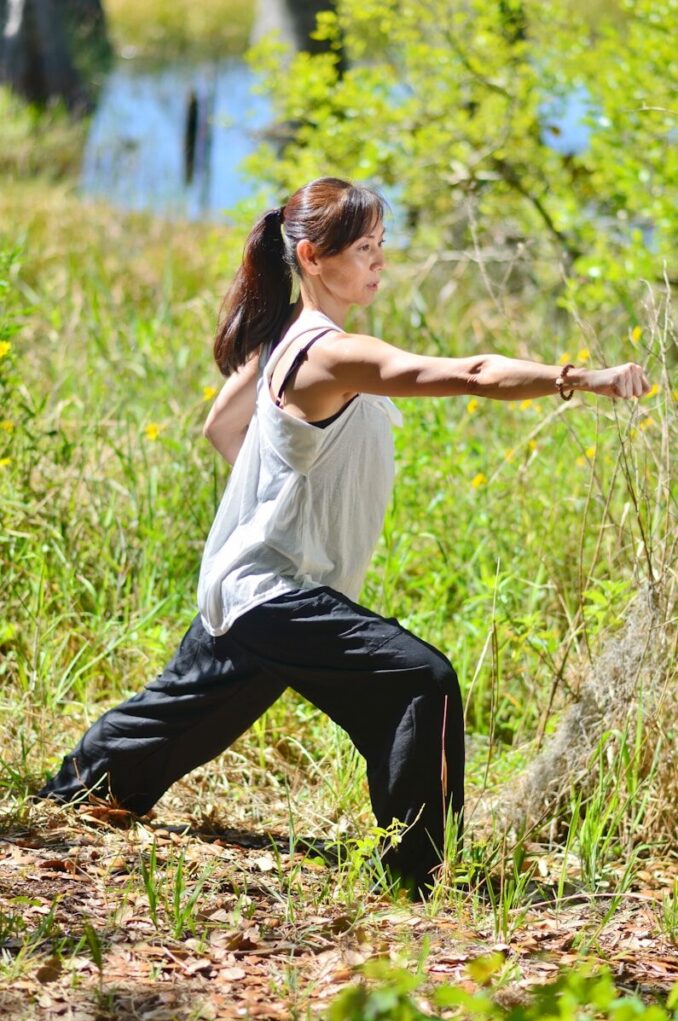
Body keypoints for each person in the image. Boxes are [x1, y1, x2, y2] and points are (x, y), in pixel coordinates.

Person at [38, 176, 650, 896]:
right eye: (364, 248)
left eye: (382, 244)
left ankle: (70, 794)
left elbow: (221, 428)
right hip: (276, 589)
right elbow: (474, 374)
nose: (380, 262)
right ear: (312, 256)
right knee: (422, 682)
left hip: (256, 578)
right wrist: (584, 377)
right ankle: (423, 873)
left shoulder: (279, 339)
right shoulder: (325, 354)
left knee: (187, 710)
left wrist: (281, 504)